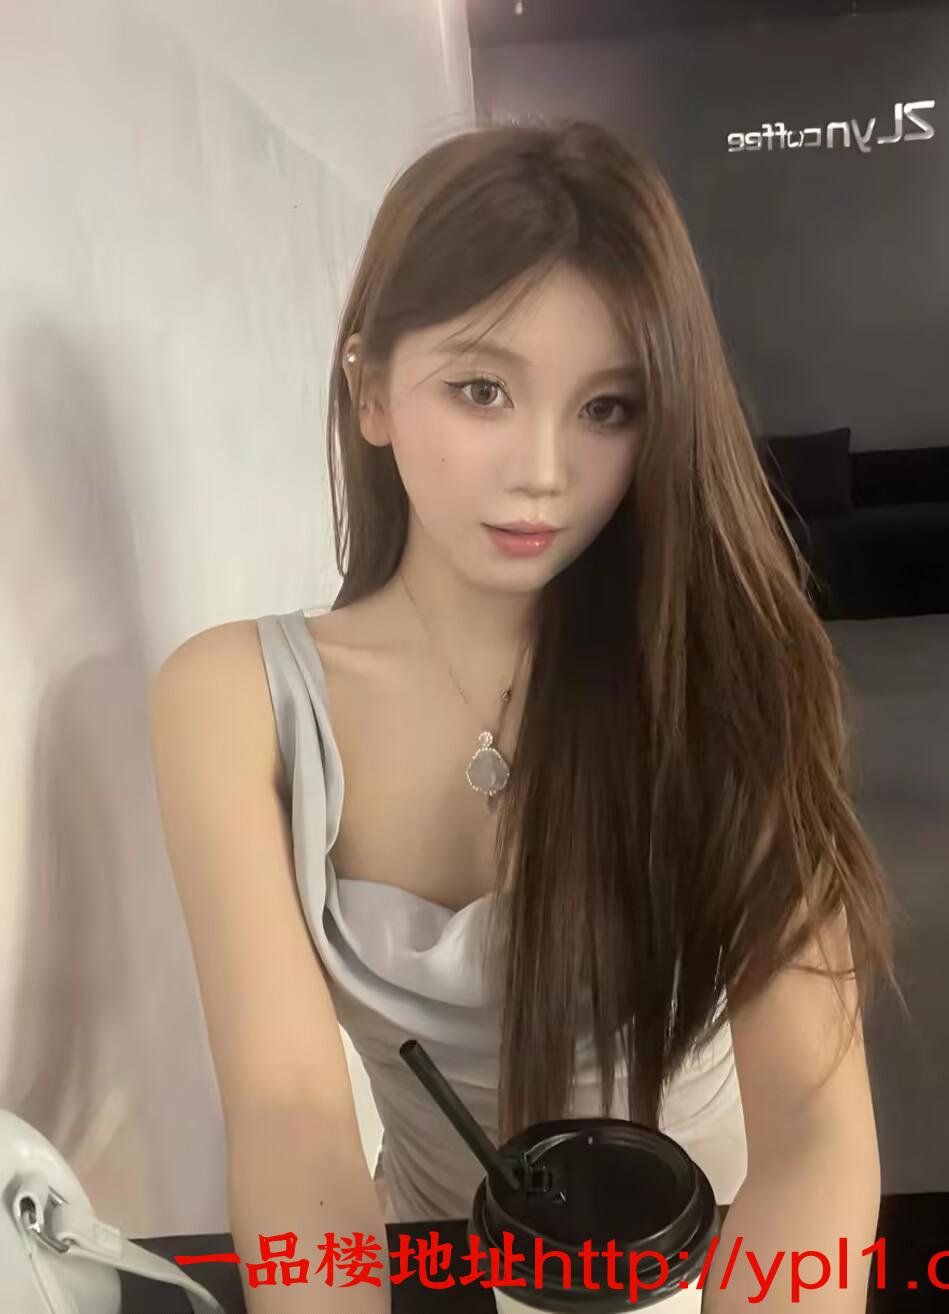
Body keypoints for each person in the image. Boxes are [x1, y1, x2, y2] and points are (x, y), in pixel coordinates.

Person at [149, 119, 896, 1313]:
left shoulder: (729, 676)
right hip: (424, 1268)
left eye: (608, 408)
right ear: (371, 390)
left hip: (710, 1269)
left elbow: (814, 1121)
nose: (544, 469)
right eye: (484, 390)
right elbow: (289, 1115)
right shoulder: (230, 700)